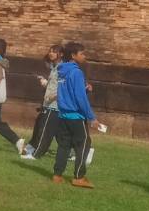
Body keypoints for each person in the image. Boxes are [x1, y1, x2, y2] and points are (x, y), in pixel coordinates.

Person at [53, 42, 107, 188]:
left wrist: (85, 90)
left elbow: (67, 92)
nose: (84, 56)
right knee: (84, 144)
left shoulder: (62, 71)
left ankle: (57, 175)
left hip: (63, 115)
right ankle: (79, 176)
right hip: (76, 116)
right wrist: (91, 117)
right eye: (82, 53)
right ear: (73, 55)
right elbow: (79, 98)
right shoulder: (76, 72)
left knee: (63, 145)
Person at [23, 44, 64, 161]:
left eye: (54, 51)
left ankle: (36, 154)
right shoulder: (54, 68)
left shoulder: (62, 69)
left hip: (54, 105)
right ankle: (75, 152)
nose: (51, 53)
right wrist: (45, 83)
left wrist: (53, 97)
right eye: (50, 51)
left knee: (45, 131)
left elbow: (63, 87)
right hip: (49, 104)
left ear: (61, 54)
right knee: (59, 134)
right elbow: (53, 85)